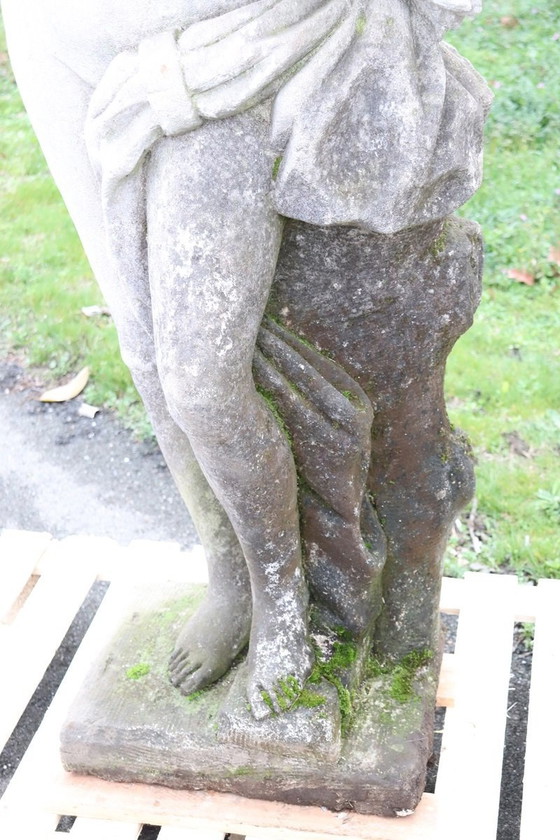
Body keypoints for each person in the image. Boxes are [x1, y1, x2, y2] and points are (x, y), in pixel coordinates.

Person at [3, 0, 491, 718]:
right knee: (143, 341)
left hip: (233, 45)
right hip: (63, 27)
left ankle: (283, 610)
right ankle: (230, 574)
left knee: (203, 383)